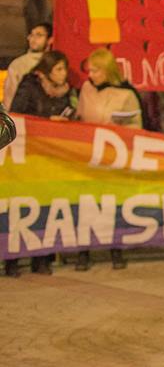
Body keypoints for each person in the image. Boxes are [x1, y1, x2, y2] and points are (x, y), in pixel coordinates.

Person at [4, 50, 77, 277]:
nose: (63, 74)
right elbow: (16, 117)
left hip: (50, 160)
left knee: (47, 208)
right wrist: (47, 122)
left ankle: (41, 258)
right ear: (47, 70)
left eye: (64, 69)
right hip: (28, 158)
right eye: (58, 69)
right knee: (21, 208)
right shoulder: (30, 86)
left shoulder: (67, 92)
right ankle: (12, 260)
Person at [75, 48, 144, 271]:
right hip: (88, 157)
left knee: (111, 206)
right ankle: (83, 252)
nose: (91, 75)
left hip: (113, 158)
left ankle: (115, 249)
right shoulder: (86, 89)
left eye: (96, 70)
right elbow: (80, 117)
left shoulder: (125, 94)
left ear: (107, 70)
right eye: (90, 70)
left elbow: (136, 126)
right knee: (85, 205)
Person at [4, 22, 52, 106]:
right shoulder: (19, 64)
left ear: (50, 40)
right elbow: (10, 96)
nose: (33, 38)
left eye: (39, 35)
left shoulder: (55, 61)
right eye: (31, 34)